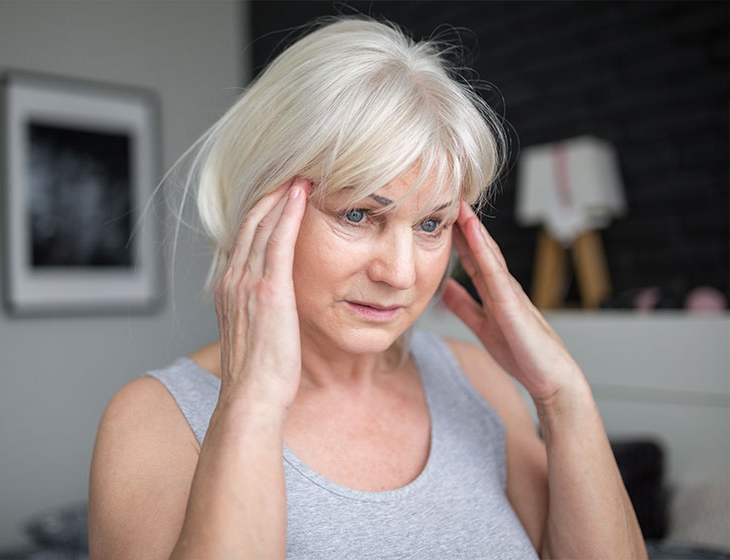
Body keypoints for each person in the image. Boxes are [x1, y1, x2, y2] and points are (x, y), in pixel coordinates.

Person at [88, 17, 647, 559]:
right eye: (357, 214)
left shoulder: (475, 379)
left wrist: (562, 397)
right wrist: (251, 402)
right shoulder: (153, 419)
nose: (400, 274)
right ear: (260, 204)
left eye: (431, 224)